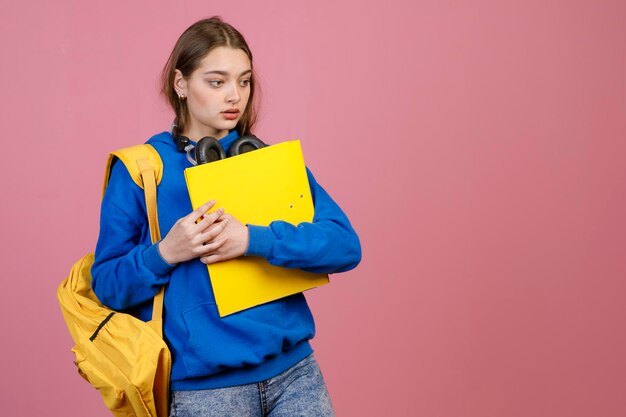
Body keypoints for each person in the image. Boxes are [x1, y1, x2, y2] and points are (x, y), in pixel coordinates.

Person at [91, 16, 361, 417]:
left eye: (244, 81)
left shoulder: (264, 160)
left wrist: (253, 240)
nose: (234, 95)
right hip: (207, 394)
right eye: (216, 82)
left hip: (296, 376)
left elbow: (344, 245)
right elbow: (107, 285)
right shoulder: (141, 171)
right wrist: (165, 252)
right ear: (181, 84)